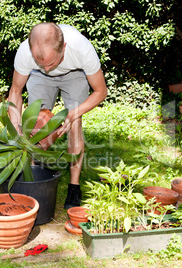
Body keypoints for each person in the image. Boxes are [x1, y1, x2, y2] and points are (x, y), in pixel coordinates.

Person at [8, 22, 108, 209]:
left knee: (75, 124)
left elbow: (101, 91)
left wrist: (73, 113)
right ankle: (34, 178)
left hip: (74, 74)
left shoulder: (81, 48)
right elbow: (15, 91)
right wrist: (16, 126)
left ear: (64, 48)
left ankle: (74, 186)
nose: (48, 68)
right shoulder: (26, 53)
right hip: (38, 77)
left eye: (51, 63)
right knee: (33, 126)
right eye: (42, 62)